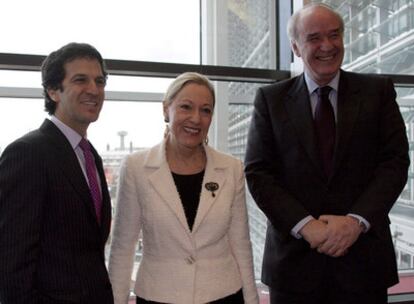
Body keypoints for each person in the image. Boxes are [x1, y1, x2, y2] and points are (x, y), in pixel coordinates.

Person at [244, 3, 409, 304]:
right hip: (294, 268)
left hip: (364, 264)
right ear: (295, 47)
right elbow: (259, 173)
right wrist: (306, 226)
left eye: (334, 35)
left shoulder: (378, 92)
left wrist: (355, 222)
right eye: (314, 38)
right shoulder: (270, 100)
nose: (327, 46)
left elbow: (394, 164)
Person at [108, 72, 258, 304]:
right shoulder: (136, 167)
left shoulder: (231, 168)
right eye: (186, 107)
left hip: (224, 295)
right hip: (158, 296)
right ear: (166, 109)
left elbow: (240, 243)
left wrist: (251, 301)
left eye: (206, 110)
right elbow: (123, 248)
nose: (196, 119)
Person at [0, 42, 114, 303]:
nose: (94, 90)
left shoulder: (90, 155)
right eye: (80, 80)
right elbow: (11, 266)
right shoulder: (27, 153)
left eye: (99, 81)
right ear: (53, 91)